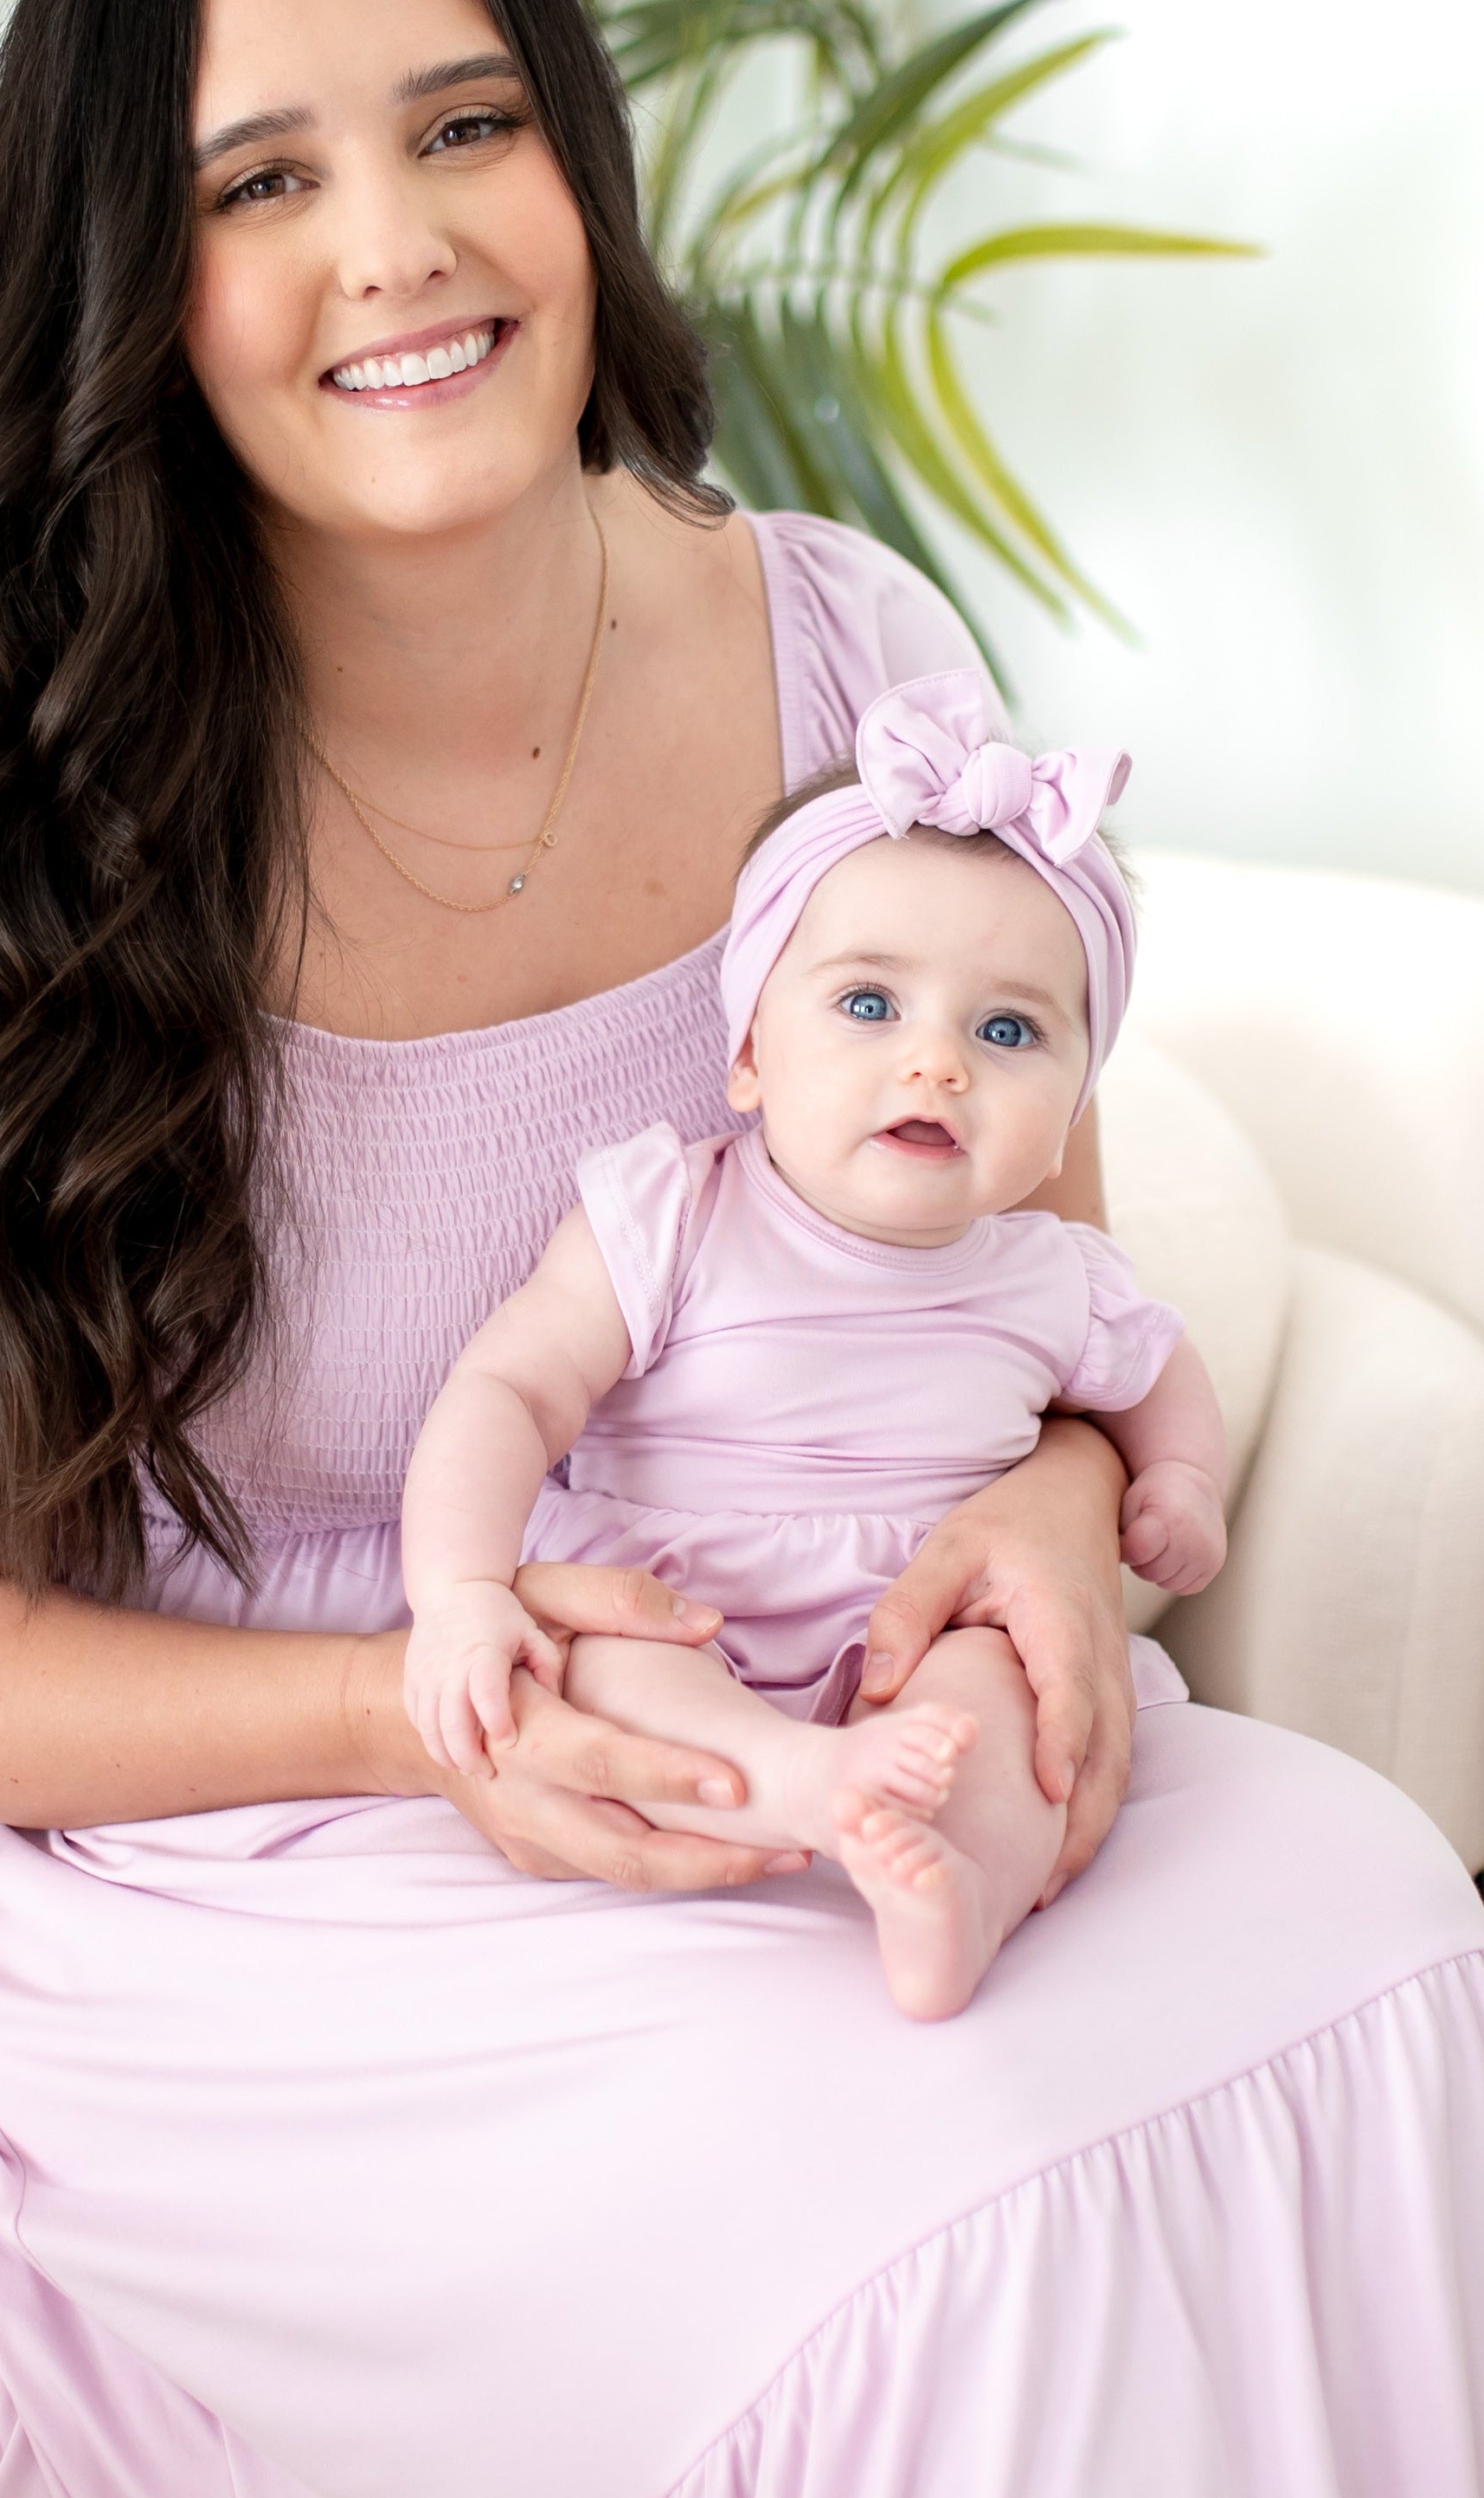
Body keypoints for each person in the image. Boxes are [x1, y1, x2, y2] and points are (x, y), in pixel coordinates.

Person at [0, 0, 1484, 2498]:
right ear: (131, 284)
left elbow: (1025, 1299)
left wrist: (1046, 1530)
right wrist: (424, 1701)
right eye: (260, 180)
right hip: (248, 1814)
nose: (400, 246)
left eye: (465, 127)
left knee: (1360, 1945)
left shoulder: (837, 661)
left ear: (576, 171)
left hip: (807, 1687)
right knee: (923, 2227)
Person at [401, 670, 1230, 2017]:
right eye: (867, 1006)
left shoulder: (1050, 1279)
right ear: (747, 1056)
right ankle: (798, 1786)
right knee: (602, 1660)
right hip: (682, 1612)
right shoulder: (671, 1212)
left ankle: (955, 1885)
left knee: (1011, 1698)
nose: (937, 1064)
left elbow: (1162, 1376)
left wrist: (1180, 1482)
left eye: (1007, 1030)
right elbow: (508, 1390)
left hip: (912, 1637)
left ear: (1071, 1115)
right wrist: (459, 1593)